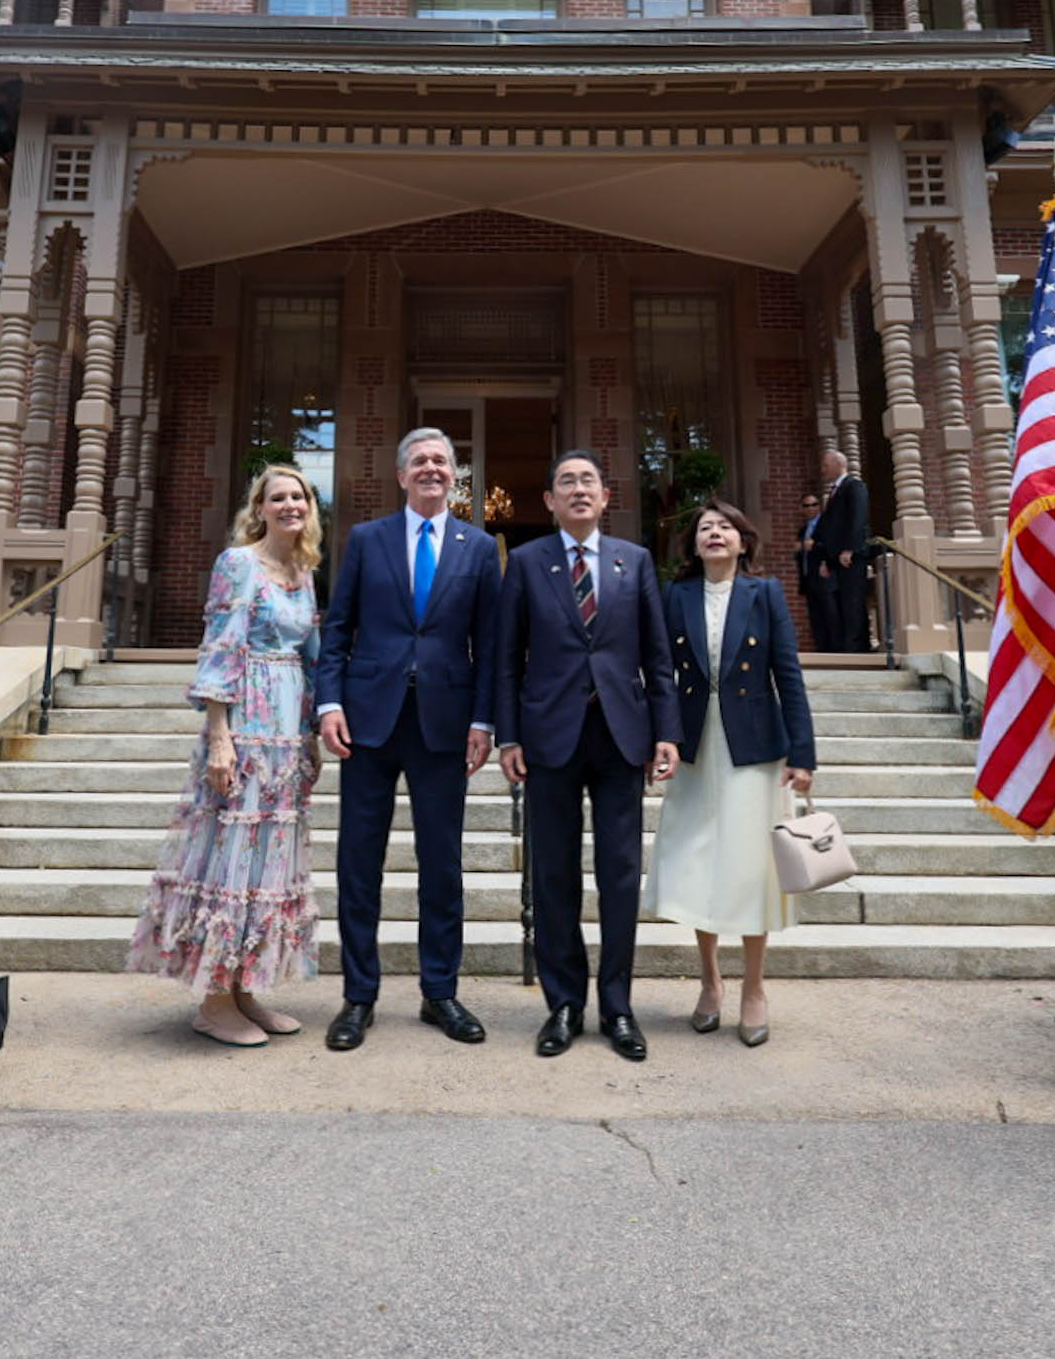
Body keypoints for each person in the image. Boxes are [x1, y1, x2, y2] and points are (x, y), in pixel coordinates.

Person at [315, 427, 501, 1052]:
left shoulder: (479, 548)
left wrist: (484, 721)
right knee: (358, 863)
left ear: (456, 476)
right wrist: (330, 703)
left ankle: (439, 991)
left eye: (441, 462)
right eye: (419, 461)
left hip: (445, 725)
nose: (431, 469)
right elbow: (337, 629)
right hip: (368, 720)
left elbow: (492, 645)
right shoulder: (367, 540)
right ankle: (358, 996)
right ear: (401, 476)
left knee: (441, 865)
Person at [126, 465, 324, 1046]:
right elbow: (221, 646)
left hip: (287, 731)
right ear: (258, 508)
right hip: (246, 722)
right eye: (278, 497)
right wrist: (219, 735)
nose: (290, 505)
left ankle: (244, 990)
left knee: (269, 863)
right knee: (231, 857)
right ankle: (213, 1000)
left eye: (299, 496)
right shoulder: (239, 564)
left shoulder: (304, 570)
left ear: (310, 507)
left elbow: (310, 655)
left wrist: (310, 732)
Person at [495, 450, 680, 1062]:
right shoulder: (524, 563)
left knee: (620, 875)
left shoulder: (636, 561)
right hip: (548, 736)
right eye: (566, 482)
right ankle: (564, 1004)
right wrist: (509, 736)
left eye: (589, 482)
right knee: (552, 875)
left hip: (622, 734)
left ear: (606, 497)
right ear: (548, 501)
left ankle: (618, 1005)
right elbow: (505, 658)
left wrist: (666, 732)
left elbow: (657, 657)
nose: (578, 490)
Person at [646, 498, 816, 1047]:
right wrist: (662, 736)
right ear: (694, 546)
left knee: (750, 866)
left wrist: (803, 754)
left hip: (755, 746)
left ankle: (754, 988)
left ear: (744, 542)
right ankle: (710, 981)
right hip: (695, 745)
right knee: (700, 860)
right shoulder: (676, 596)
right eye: (704, 528)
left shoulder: (763, 594)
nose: (714, 534)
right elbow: (661, 675)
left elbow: (787, 673)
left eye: (725, 527)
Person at [815, 447, 871, 653]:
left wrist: (850, 549)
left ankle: (856, 648)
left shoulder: (853, 486)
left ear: (839, 464)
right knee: (841, 603)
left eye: (826, 465)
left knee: (853, 602)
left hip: (852, 557)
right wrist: (826, 560)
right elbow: (831, 527)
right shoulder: (834, 491)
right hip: (836, 559)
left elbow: (858, 519)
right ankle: (847, 645)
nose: (823, 470)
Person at [796, 490, 838, 654]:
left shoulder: (826, 525)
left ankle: (835, 650)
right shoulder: (803, 530)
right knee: (816, 616)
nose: (810, 508)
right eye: (806, 505)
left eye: (814, 504)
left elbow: (832, 546)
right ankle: (822, 649)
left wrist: (814, 546)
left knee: (830, 614)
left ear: (819, 506)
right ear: (802, 509)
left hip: (825, 576)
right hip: (809, 578)